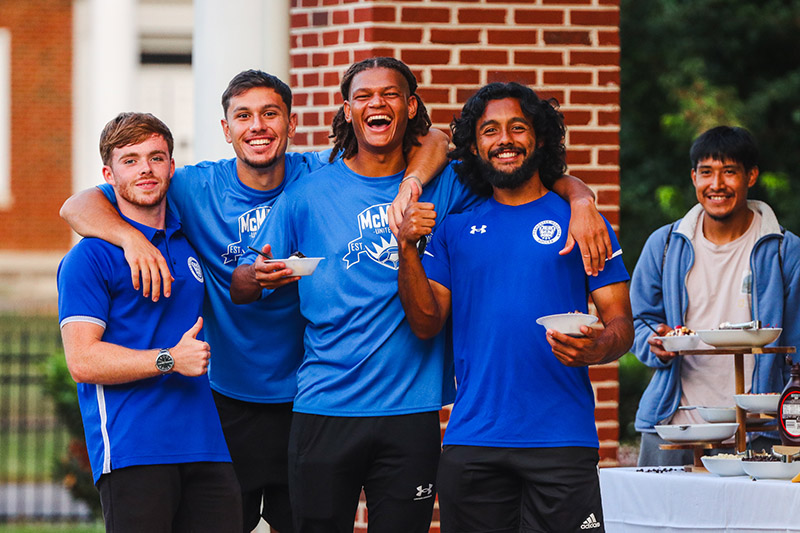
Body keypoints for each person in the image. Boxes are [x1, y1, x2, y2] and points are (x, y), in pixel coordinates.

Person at [231, 58, 615, 532]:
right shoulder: (307, 192)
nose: (377, 103)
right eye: (364, 96)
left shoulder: (450, 184)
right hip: (324, 405)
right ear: (346, 110)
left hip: (411, 409)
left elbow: (517, 171)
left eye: (390, 94)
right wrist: (260, 274)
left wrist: (580, 198)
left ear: (411, 106)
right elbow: (242, 283)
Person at [58, 70, 450, 533]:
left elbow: (436, 138)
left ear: (291, 123)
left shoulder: (321, 171)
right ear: (226, 130)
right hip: (227, 402)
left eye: (270, 114)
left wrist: (412, 184)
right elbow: (77, 205)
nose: (257, 126)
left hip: (305, 399)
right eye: (243, 116)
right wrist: (130, 239)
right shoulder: (190, 187)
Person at [393, 81, 633, 533]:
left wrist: (599, 346)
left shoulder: (581, 223)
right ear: (475, 145)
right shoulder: (454, 229)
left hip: (562, 441)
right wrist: (407, 247)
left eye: (517, 128)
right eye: (490, 131)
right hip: (474, 441)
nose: (504, 140)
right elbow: (426, 324)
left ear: (539, 138)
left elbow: (621, 321)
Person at [57, 112, 241, 532]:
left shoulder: (187, 242)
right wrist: (169, 360)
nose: (145, 169)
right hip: (133, 450)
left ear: (172, 167)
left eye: (156, 158)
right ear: (109, 173)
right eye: (130, 160)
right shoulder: (89, 258)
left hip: (206, 448)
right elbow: (82, 361)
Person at [631, 126, 800, 466]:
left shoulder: (785, 250)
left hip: (757, 429)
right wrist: (657, 344)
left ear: (751, 176)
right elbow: (640, 321)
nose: (717, 184)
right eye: (706, 172)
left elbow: (797, 346)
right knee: (663, 519)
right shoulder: (664, 245)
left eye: (730, 172)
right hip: (675, 424)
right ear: (694, 177)